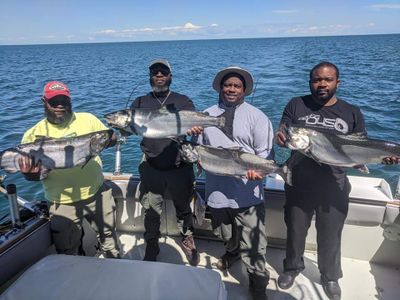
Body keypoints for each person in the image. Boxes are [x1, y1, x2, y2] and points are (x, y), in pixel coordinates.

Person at [275, 61, 400, 300]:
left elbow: (361, 147)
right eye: (316, 80)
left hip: (335, 185)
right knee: (295, 231)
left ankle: (330, 275)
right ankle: (292, 268)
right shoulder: (296, 104)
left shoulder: (351, 112)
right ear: (310, 82)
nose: (321, 84)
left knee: (330, 234)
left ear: (337, 83)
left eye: (327, 79)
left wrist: (382, 157)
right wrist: (282, 136)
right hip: (299, 182)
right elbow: (284, 129)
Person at [192, 66, 274, 300]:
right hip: (217, 193)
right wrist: (194, 132)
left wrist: (259, 171)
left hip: (249, 193)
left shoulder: (257, 117)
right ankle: (233, 251)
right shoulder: (206, 114)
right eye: (227, 85)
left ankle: (258, 284)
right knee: (223, 233)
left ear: (244, 90)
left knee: (255, 244)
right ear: (220, 87)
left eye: (236, 86)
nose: (231, 89)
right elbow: (196, 150)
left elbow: (265, 155)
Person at [19, 81, 120, 258]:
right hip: (61, 202)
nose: (60, 105)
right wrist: (29, 173)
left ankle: (115, 270)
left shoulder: (87, 119)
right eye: (54, 101)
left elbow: (109, 136)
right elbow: (32, 177)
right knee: (67, 251)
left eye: (64, 101)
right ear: (44, 101)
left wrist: (111, 137)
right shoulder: (33, 135)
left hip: (97, 193)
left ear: (70, 100)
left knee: (109, 239)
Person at [131, 59, 199, 265]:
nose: (159, 75)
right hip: (151, 166)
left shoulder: (183, 101)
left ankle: (187, 238)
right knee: (151, 210)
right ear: (150, 76)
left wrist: (194, 130)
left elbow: (194, 130)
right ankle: (152, 243)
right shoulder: (140, 103)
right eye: (154, 72)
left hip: (180, 166)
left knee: (184, 207)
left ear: (170, 76)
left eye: (163, 72)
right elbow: (129, 128)